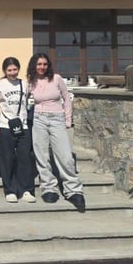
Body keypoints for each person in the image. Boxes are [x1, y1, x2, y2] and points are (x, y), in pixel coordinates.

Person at [27, 52, 85, 213]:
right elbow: (23, 101)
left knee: (65, 156)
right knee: (42, 155)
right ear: (34, 66)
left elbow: (67, 99)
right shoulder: (30, 82)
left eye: (45, 64)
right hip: (39, 119)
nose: (42, 67)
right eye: (39, 64)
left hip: (57, 119)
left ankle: (73, 190)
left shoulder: (57, 79)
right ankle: (48, 188)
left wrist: (68, 120)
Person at [0, 57, 36, 204]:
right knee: (7, 158)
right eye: (9, 70)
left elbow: (30, 103)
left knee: (25, 158)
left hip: (23, 126)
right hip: (6, 125)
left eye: (15, 69)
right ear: (4, 71)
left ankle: (26, 190)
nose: (12, 72)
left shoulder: (24, 84)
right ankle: (10, 190)